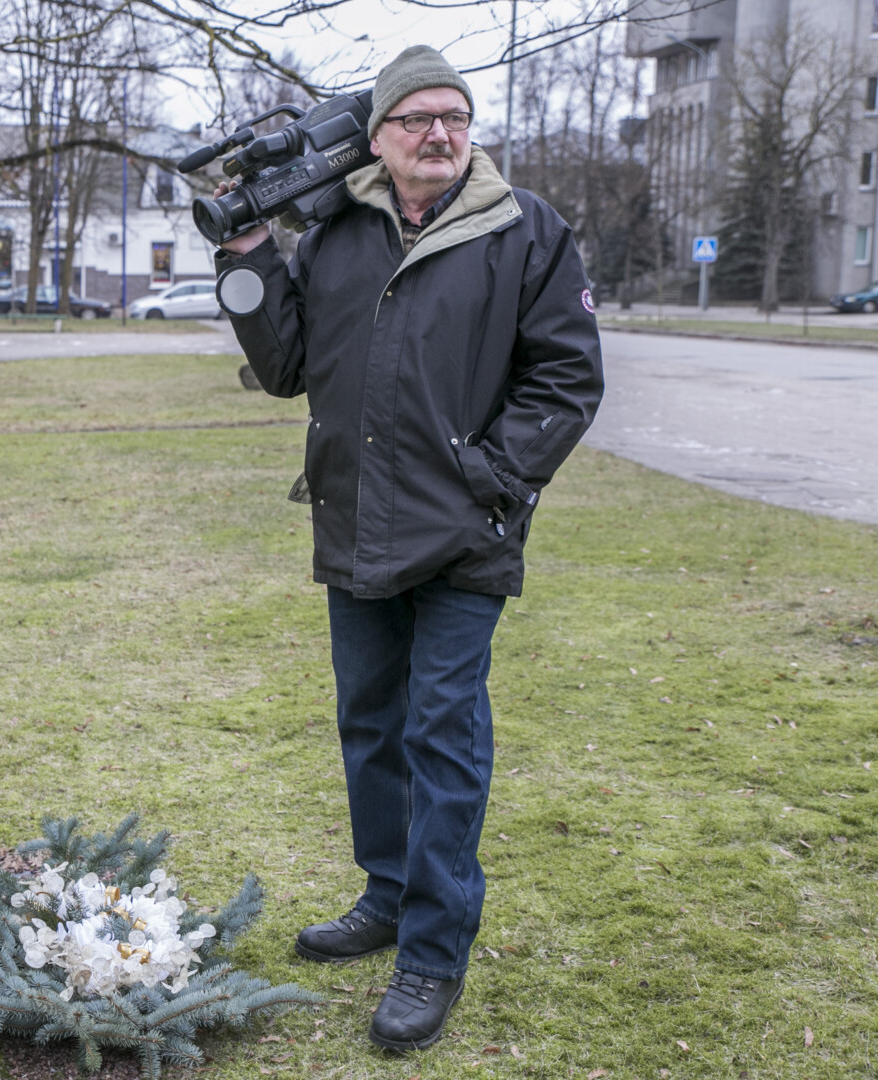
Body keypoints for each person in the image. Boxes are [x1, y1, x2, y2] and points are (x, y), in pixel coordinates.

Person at [212, 45, 604, 1052]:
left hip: (466, 534)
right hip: (355, 520)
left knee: (443, 733)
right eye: (416, 118)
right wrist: (249, 252)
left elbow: (566, 381)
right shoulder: (338, 231)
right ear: (378, 137)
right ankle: (387, 892)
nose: (439, 134)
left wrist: (493, 483)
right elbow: (288, 363)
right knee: (371, 724)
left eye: (454, 118)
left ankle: (432, 950)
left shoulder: (527, 231)